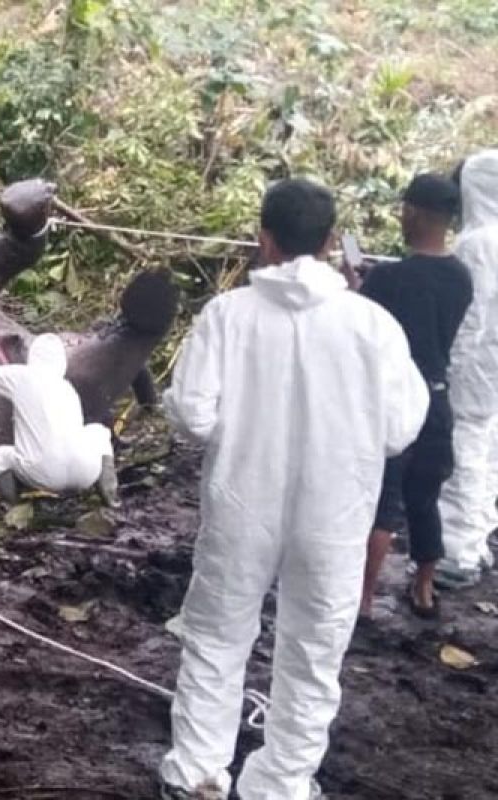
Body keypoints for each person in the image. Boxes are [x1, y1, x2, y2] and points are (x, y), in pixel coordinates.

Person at [158, 179, 428, 800]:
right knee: (313, 650)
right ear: (333, 242)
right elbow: (401, 427)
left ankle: (198, 772)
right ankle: (280, 783)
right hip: (335, 515)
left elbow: (194, 415)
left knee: (218, 633)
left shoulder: (227, 315)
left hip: (240, 505)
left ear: (264, 238)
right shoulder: (373, 326)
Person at [357, 174, 473, 619]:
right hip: (438, 396)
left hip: (396, 398)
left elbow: (367, 322)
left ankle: (364, 598)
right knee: (425, 496)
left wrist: (356, 287)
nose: (401, 216)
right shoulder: (460, 276)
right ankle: (424, 589)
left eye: (405, 208)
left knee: (384, 501)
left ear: (419, 214)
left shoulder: (389, 278)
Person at [0, 333, 117, 505]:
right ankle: (109, 495)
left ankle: (12, 506)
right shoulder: (67, 388)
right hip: (86, 474)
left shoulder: (22, 376)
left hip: (46, 475)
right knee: (99, 432)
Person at [435, 150, 498, 589]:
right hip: (492, 363)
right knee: (488, 446)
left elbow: (469, 315)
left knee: (464, 449)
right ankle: (478, 534)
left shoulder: (477, 244)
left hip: (476, 363)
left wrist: (449, 362)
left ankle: (458, 551)